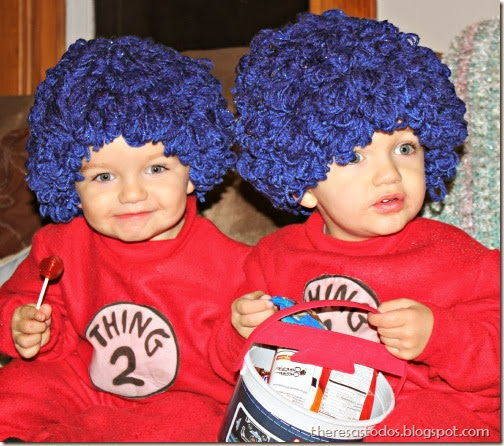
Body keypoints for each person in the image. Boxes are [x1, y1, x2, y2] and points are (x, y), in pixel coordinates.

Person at [228, 10, 500, 442]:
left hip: (438, 422)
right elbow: (234, 377)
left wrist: (440, 336)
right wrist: (240, 334)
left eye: (405, 147)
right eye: (354, 156)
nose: (390, 174)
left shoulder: (461, 258)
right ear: (302, 182)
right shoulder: (273, 260)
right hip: (317, 421)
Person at [0, 36, 251, 442]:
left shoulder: (236, 265)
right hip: (80, 382)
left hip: (183, 400)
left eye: (155, 169)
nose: (131, 195)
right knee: (16, 387)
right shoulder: (59, 246)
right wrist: (25, 325)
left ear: (193, 166)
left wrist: (244, 327)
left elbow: (244, 362)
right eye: (103, 176)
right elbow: (23, 302)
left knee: (197, 421)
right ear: (69, 182)